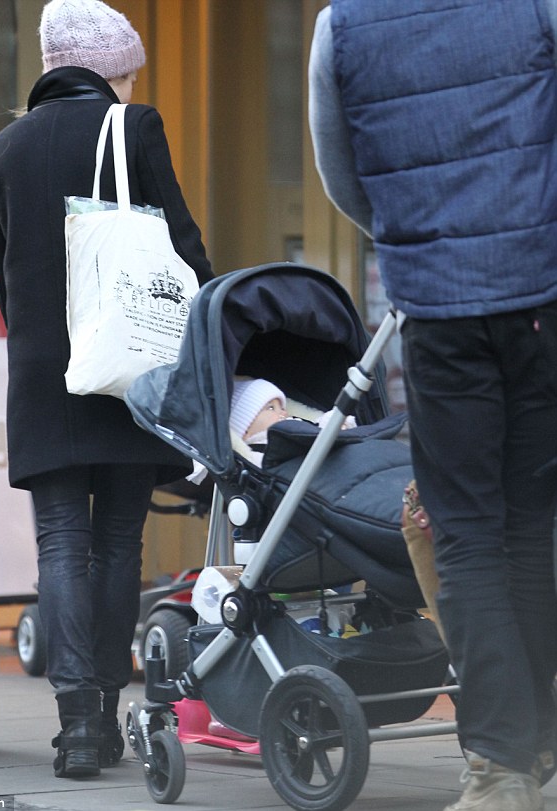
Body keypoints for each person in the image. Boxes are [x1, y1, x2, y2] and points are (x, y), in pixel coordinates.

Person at [309, 2, 557, 810]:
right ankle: (537, 738)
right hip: (542, 295)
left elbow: (342, 174)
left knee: (468, 536)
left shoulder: (341, 26)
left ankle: (501, 766)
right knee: (533, 523)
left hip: (439, 306)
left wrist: (414, 233)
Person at [0, 0, 213, 779]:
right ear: (108, 69)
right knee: (118, 540)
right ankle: (110, 710)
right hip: (128, 363)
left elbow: (6, 279)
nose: (131, 84)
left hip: (46, 372)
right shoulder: (134, 127)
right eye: (129, 72)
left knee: (60, 541)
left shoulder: (2, 150)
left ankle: (77, 724)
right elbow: (182, 249)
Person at [229, 377, 356, 465]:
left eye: (282, 408)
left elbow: (317, 425)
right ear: (246, 430)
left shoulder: (295, 424)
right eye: (271, 408)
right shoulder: (257, 454)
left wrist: (338, 422)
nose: (284, 413)